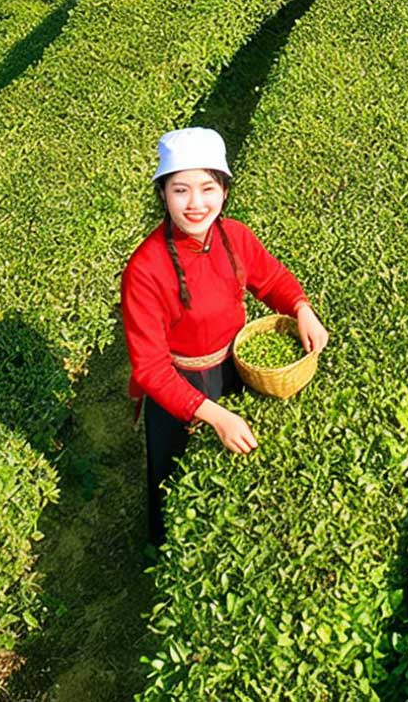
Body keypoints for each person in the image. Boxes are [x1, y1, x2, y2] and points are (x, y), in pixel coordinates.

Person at [121, 127, 329, 547]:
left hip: (235, 368)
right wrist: (215, 416)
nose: (196, 204)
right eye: (181, 190)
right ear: (162, 194)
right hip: (178, 385)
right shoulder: (145, 269)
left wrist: (301, 308)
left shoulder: (235, 236)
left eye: (207, 188)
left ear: (224, 190)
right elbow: (150, 368)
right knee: (174, 476)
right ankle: (168, 551)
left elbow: (271, 280)